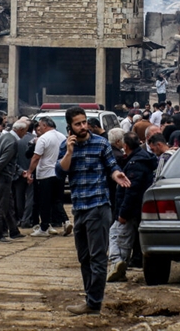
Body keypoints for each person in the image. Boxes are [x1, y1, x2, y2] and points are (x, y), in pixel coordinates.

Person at [57, 107, 131, 315]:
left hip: (98, 207)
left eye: (84, 123)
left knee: (98, 257)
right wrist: (70, 152)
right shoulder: (66, 146)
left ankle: (93, 303)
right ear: (69, 126)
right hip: (79, 208)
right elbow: (60, 171)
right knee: (84, 257)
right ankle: (90, 296)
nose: (82, 127)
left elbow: (111, 165)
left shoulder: (101, 143)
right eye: (77, 124)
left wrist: (117, 174)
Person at [107, 132, 156, 283]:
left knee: (117, 234)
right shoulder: (143, 158)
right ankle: (119, 264)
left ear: (125, 146)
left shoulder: (135, 163)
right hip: (139, 208)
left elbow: (131, 190)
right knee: (121, 235)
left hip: (131, 208)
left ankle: (117, 264)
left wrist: (123, 212)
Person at [27, 118, 69, 237]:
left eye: (40, 125)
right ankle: (66, 221)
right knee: (57, 200)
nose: (38, 128)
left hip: (45, 174)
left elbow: (36, 157)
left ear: (45, 125)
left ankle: (44, 227)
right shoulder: (62, 137)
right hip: (59, 172)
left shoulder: (43, 139)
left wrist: (30, 171)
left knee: (44, 201)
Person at [12, 118, 36, 228]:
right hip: (32, 173)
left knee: (19, 198)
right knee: (30, 198)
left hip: (18, 173)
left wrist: (21, 171)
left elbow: (13, 159)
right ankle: (27, 219)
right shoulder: (36, 140)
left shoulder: (16, 140)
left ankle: (20, 219)